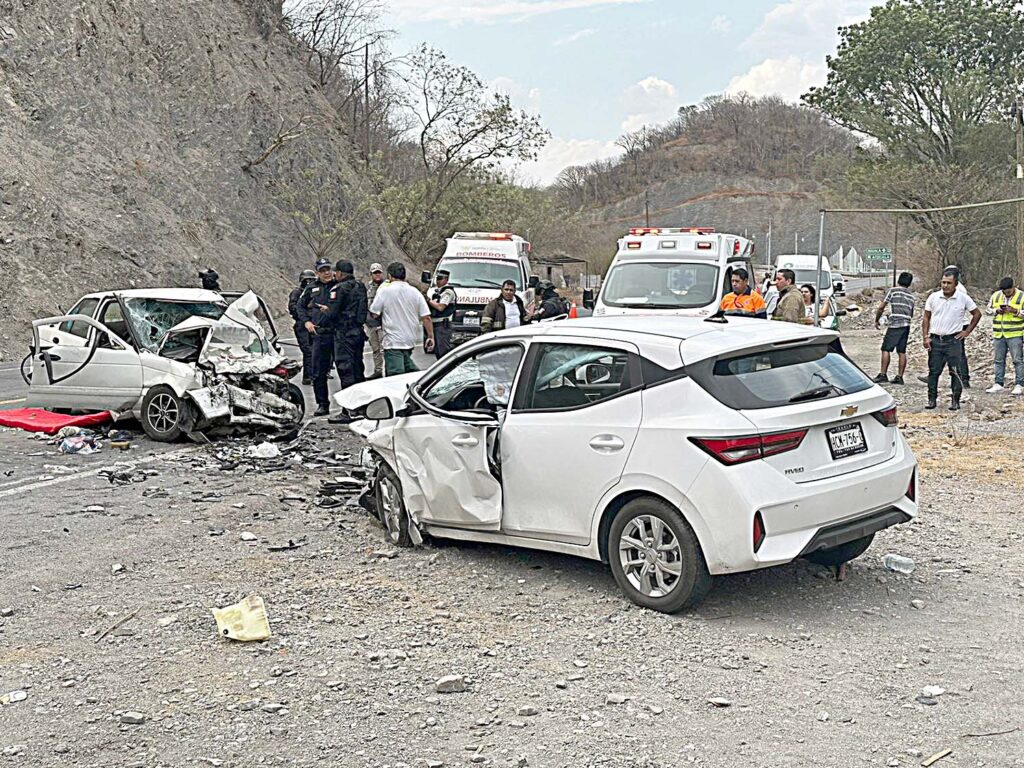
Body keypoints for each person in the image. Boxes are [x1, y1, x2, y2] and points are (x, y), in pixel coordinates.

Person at [922, 268, 981, 410]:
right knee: (933, 371)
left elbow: (977, 314)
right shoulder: (933, 297)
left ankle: (955, 401)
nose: (945, 286)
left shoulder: (963, 298)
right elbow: (926, 317)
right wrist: (925, 336)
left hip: (953, 340)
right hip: (935, 340)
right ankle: (932, 400)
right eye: (943, 282)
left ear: (956, 284)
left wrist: (966, 332)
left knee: (955, 371)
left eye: (949, 283)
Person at [370, 261, 435, 376]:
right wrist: (430, 336)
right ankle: (422, 383)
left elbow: (374, 312)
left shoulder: (384, 291)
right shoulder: (415, 292)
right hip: (409, 340)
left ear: (389, 276)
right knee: (407, 368)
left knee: (395, 376)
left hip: (392, 341)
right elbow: (426, 317)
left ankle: (423, 384)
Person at [297, 258, 339, 417]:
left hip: (337, 333)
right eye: (322, 270)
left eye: (328, 269)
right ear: (317, 273)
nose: (326, 273)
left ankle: (349, 406)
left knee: (345, 370)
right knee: (318, 371)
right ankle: (322, 404)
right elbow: (299, 306)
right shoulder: (311, 288)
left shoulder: (338, 286)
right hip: (319, 334)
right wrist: (306, 321)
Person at [325, 260, 368, 391]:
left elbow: (332, 313)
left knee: (345, 369)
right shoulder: (360, 286)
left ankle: (350, 409)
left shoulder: (338, 289)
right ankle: (362, 403)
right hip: (358, 331)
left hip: (344, 333)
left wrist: (325, 310)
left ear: (339, 273)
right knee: (357, 367)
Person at [873, 272, 915, 385]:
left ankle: (883, 374)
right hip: (906, 325)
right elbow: (911, 313)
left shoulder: (893, 291)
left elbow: (882, 307)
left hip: (895, 324)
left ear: (899, 280)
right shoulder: (911, 296)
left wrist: (877, 319)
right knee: (902, 351)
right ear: (909, 283)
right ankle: (899, 377)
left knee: (886, 349)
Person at [984, 276, 1024, 396]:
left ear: (1013, 287)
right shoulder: (996, 296)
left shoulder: (1022, 296)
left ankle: (1020, 384)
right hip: (999, 333)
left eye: (1008, 292)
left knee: (1017, 360)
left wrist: (1015, 311)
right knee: (998, 360)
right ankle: (998, 383)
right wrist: (996, 310)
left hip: (1015, 333)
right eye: (1004, 292)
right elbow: (987, 309)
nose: (1006, 294)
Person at [288, 269, 317, 385]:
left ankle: (311, 375)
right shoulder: (297, 292)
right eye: (307, 280)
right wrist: (304, 313)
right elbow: (293, 307)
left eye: (311, 280)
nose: (309, 282)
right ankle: (308, 376)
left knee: (314, 351)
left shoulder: (313, 293)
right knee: (308, 351)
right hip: (301, 325)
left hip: (312, 324)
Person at [426, 269, 458, 359]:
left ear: (446, 280)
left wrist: (428, 301)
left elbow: (441, 307)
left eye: (440, 278)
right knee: (437, 352)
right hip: (435, 325)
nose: (438, 281)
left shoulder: (448, 292)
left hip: (443, 325)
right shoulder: (438, 292)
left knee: (443, 353)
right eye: (437, 278)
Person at [364, 263, 386, 379]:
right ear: (371, 274)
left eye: (379, 272)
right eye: (374, 273)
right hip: (371, 324)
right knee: (376, 349)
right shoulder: (367, 288)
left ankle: (388, 371)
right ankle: (378, 371)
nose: (377, 275)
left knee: (384, 349)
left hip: (383, 324)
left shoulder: (386, 286)